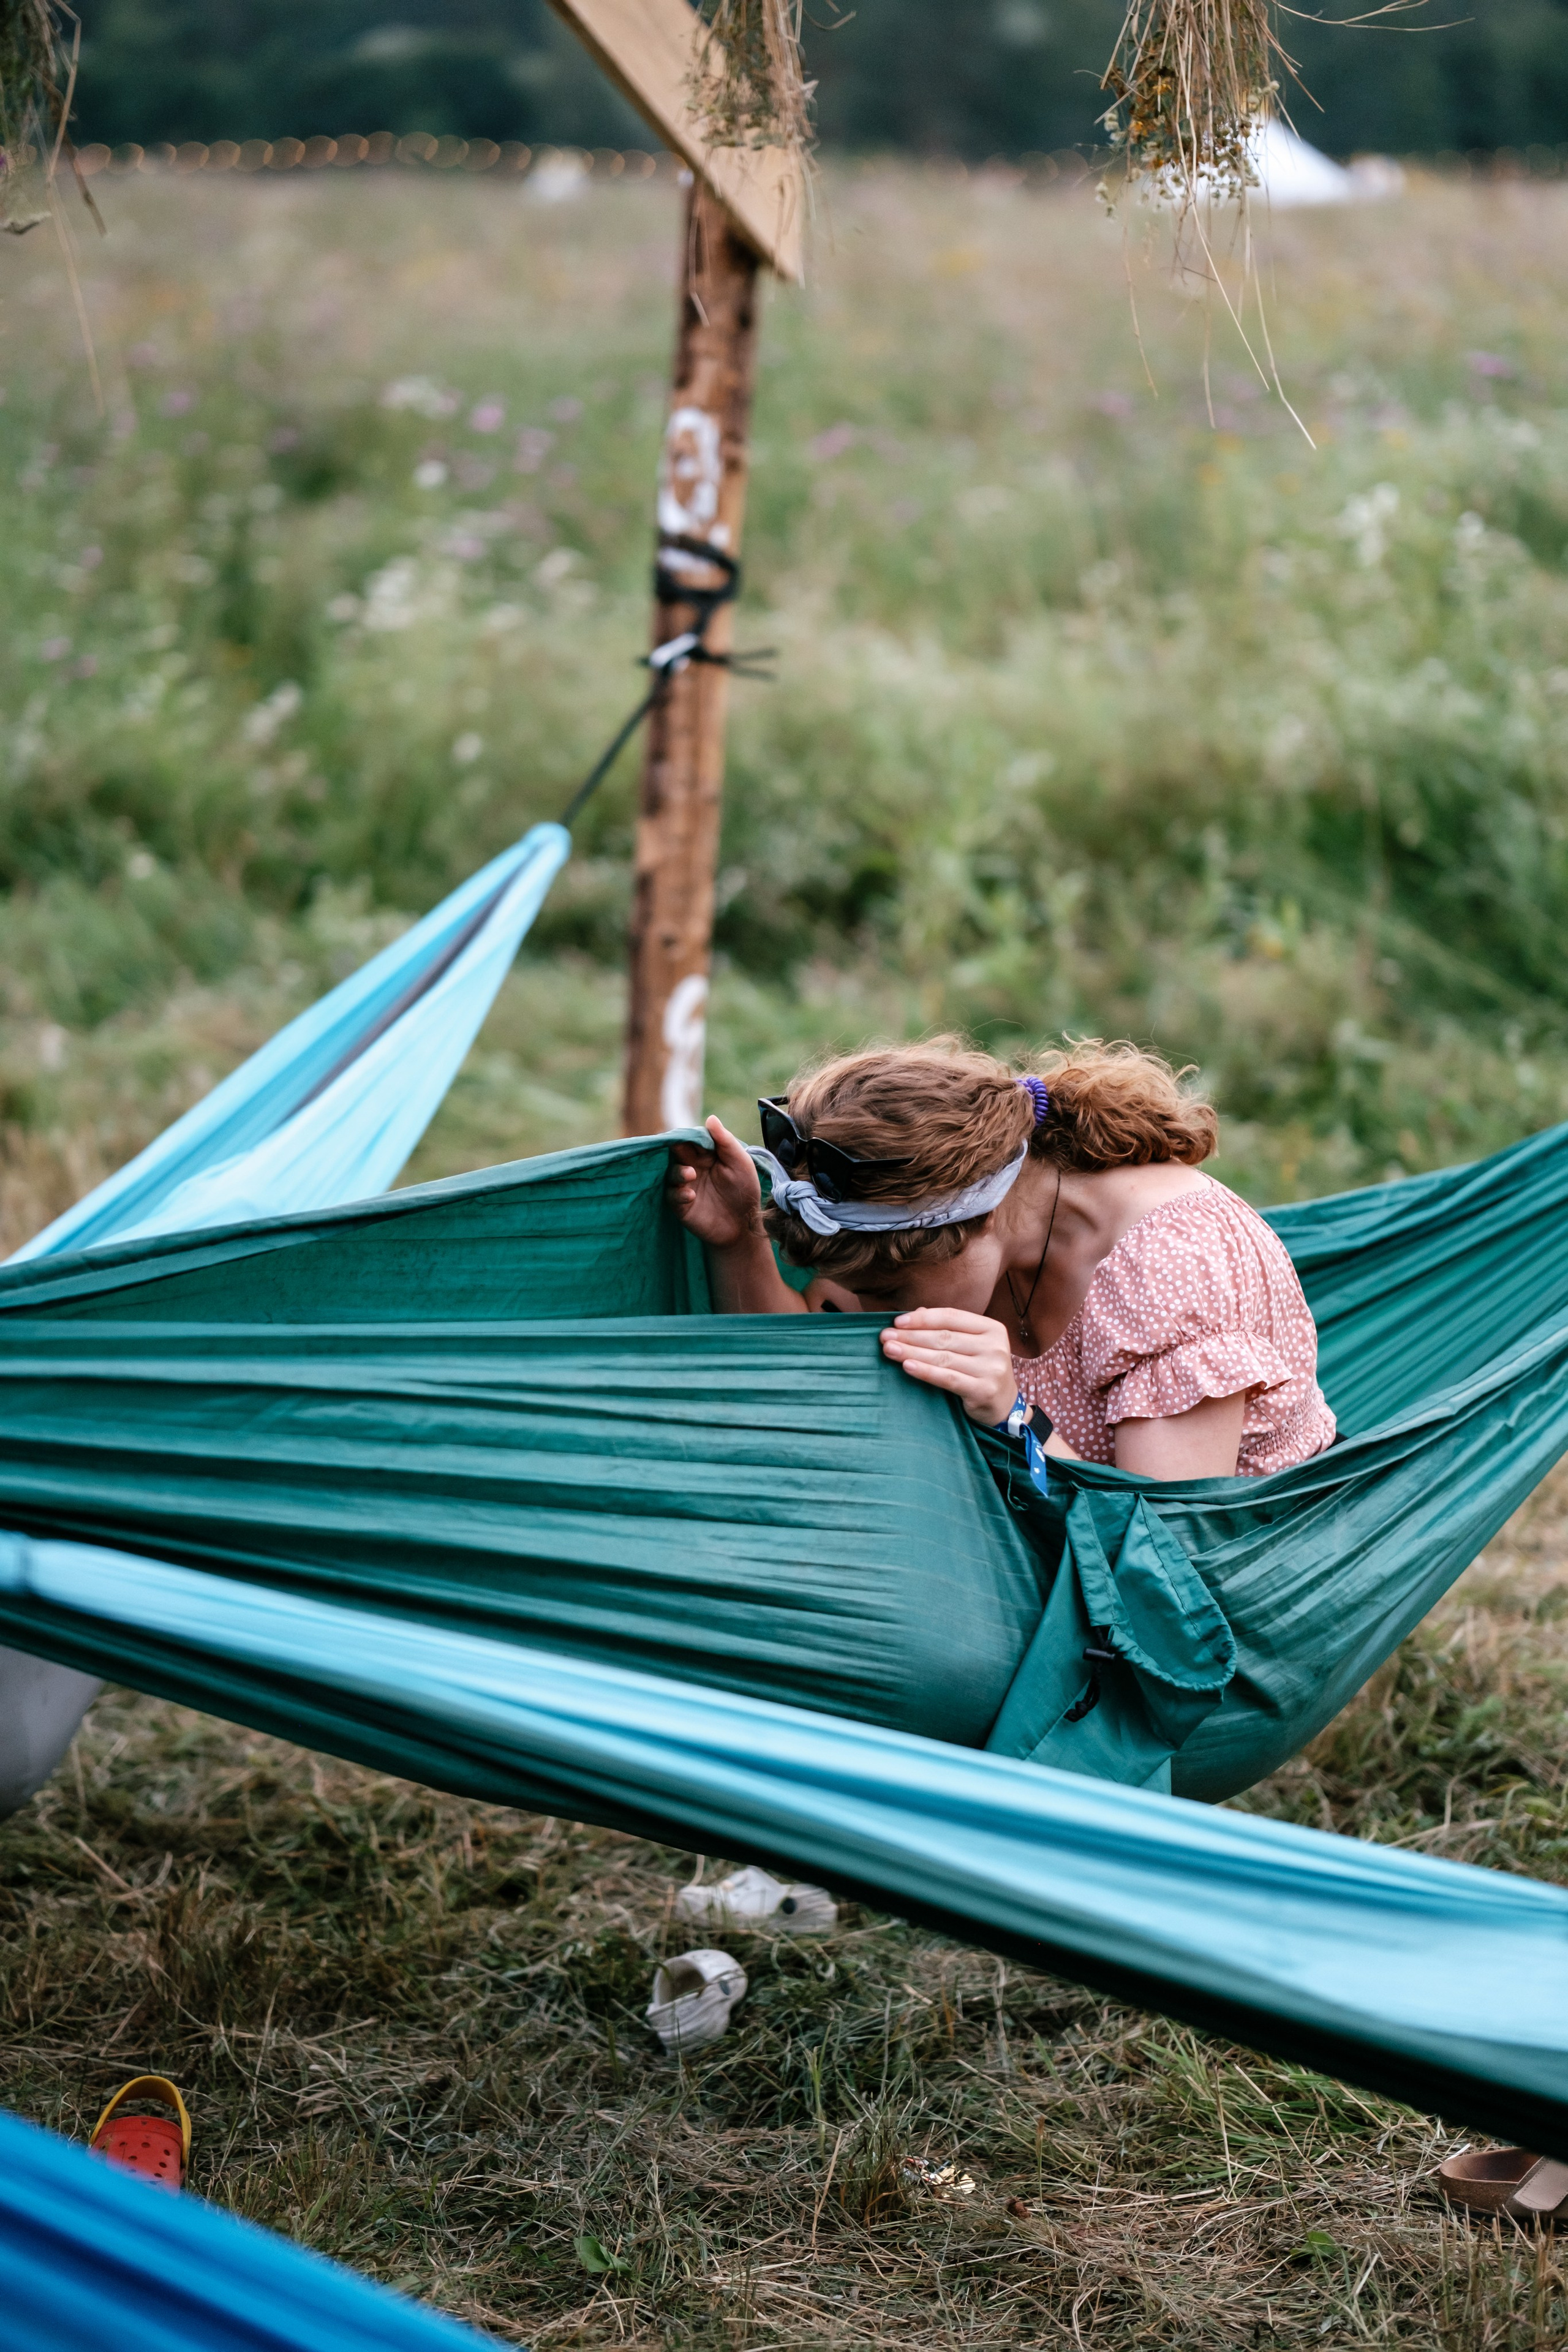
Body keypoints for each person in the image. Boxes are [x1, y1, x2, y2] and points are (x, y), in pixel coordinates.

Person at [666, 1038, 1335, 1480]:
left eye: (889, 1288)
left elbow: (1170, 1543)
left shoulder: (1170, 1266)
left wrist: (1020, 1418)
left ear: (982, 1217)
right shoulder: (938, 1225)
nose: (866, 1315)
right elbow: (804, 1366)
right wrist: (737, 1242)